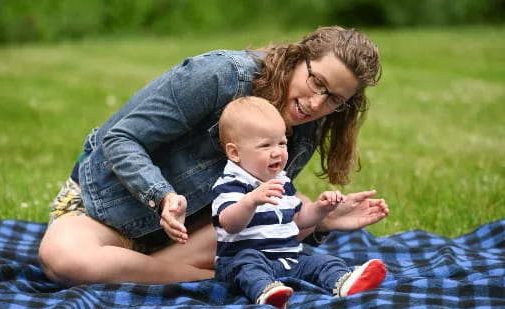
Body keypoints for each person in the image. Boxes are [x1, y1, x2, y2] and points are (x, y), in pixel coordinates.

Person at [38, 26, 389, 285]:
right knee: (63, 259)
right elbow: (120, 139)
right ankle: (200, 277)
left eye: (334, 100)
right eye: (317, 83)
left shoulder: (306, 126)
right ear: (299, 59)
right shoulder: (220, 75)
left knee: (282, 208)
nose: (316, 104)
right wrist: (162, 196)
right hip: (110, 210)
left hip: (191, 235)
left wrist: (320, 219)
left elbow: (254, 203)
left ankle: (145, 269)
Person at [211, 96, 386, 309]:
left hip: (287, 259)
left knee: (319, 261)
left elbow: (298, 219)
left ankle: (344, 282)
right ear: (235, 152)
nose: (278, 151)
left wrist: (321, 209)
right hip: (238, 264)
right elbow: (229, 223)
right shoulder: (232, 183)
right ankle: (266, 292)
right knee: (249, 262)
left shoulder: (281, 181)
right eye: (266, 145)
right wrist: (251, 201)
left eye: (282, 142)